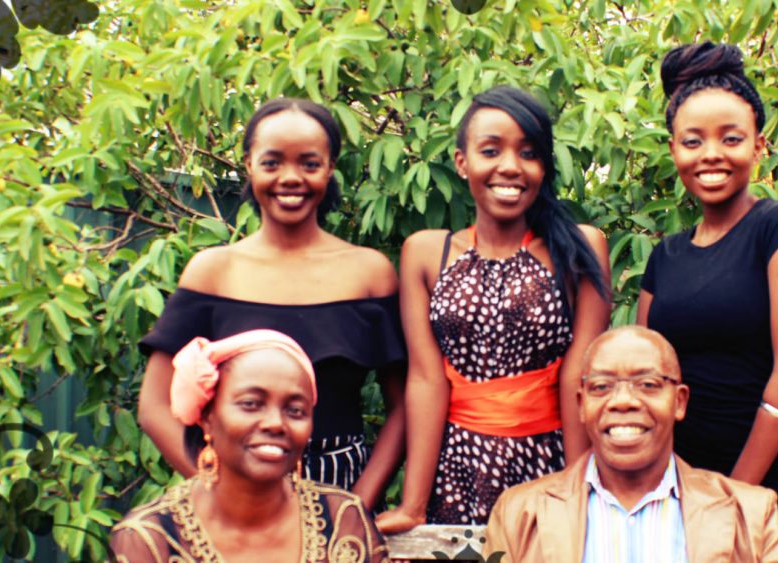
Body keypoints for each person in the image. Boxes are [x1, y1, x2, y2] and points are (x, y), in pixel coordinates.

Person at [138, 98, 406, 509]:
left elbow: (404, 407)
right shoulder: (213, 271)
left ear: (330, 168)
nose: (291, 177)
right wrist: (220, 488)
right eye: (272, 162)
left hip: (343, 495)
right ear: (248, 164)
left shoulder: (369, 274)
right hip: (233, 501)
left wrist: (356, 508)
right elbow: (154, 406)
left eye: (310, 164)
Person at [376, 86, 611, 531]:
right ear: (463, 162)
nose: (510, 166)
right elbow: (427, 379)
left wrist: (581, 490)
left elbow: (579, 376)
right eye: (491, 150)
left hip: (548, 460)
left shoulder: (579, 248)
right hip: (456, 464)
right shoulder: (426, 253)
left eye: (528, 153)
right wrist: (413, 505)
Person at [636, 42, 778, 561]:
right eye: (692, 140)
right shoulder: (665, 256)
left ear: (759, 145)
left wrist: (733, 494)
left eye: (731, 138)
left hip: (774, 485)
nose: (711, 155)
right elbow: (648, 376)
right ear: (674, 149)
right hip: (678, 488)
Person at [484, 326, 778, 562]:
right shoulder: (519, 512)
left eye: (648, 384)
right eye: (601, 387)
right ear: (581, 405)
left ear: (679, 402)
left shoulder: (751, 513)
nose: (622, 401)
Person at [112, 329, 389, 562]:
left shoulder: (342, 520)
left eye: (295, 410)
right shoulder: (151, 540)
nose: (275, 423)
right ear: (208, 417)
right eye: (251, 404)